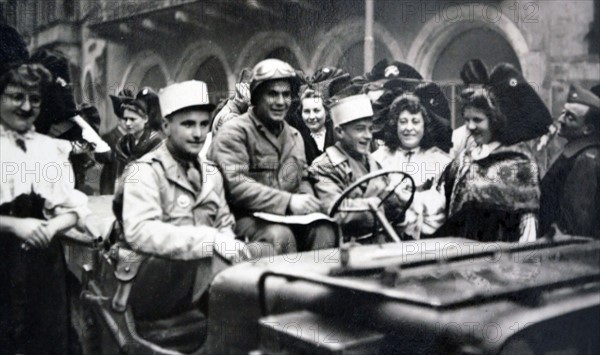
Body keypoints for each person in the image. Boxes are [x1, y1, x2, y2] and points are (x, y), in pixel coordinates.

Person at [0, 63, 88, 354]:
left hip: (43, 265)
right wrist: (14, 225)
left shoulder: (50, 149)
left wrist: (51, 226)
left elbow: (73, 207)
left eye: (34, 99)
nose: (26, 107)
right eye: (16, 97)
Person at [208, 59, 336, 254]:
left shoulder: (294, 136)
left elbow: (300, 178)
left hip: (285, 216)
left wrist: (308, 200)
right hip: (241, 218)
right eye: (272, 94)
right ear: (257, 96)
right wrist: (288, 202)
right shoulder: (234, 132)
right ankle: (280, 285)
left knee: (324, 229)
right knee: (280, 236)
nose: (280, 102)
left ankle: (314, 283)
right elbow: (235, 185)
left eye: (286, 95)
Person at [121, 80, 243, 259]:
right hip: (159, 278)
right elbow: (140, 233)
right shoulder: (144, 172)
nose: (198, 134)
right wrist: (210, 240)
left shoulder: (211, 174)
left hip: (208, 275)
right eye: (188, 124)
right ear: (165, 126)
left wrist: (231, 247)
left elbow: (224, 224)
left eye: (203, 124)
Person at [309, 94, 408, 240]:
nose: (368, 136)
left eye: (370, 129)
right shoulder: (324, 167)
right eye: (360, 129)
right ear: (339, 132)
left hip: (381, 242)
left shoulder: (374, 164)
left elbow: (392, 209)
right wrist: (374, 205)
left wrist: (398, 200)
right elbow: (336, 212)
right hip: (347, 248)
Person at [372, 93, 451, 238]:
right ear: (395, 124)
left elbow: (444, 206)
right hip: (386, 237)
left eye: (415, 122)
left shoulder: (441, 161)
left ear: (425, 125)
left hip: (429, 240)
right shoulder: (378, 159)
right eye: (403, 121)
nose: (409, 128)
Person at [539, 84, 600, 238]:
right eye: (563, 112)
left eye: (570, 117)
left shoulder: (586, 160)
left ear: (588, 129)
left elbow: (576, 222)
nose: (560, 119)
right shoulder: (573, 153)